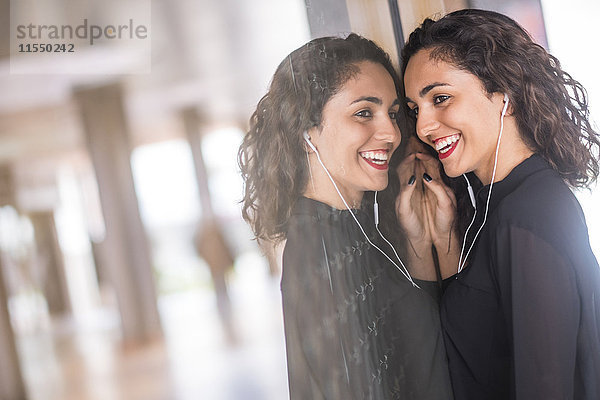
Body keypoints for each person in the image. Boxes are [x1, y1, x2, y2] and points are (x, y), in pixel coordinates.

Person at [239, 34, 453, 399]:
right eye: (364, 113)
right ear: (307, 131)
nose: (390, 132)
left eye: (392, 114)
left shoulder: (357, 227)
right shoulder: (320, 252)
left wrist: (421, 243)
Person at [401, 9, 600, 399]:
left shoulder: (527, 215)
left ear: (502, 92)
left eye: (440, 98)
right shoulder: (491, 203)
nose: (423, 126)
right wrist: (441, 243)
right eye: (414, 110)